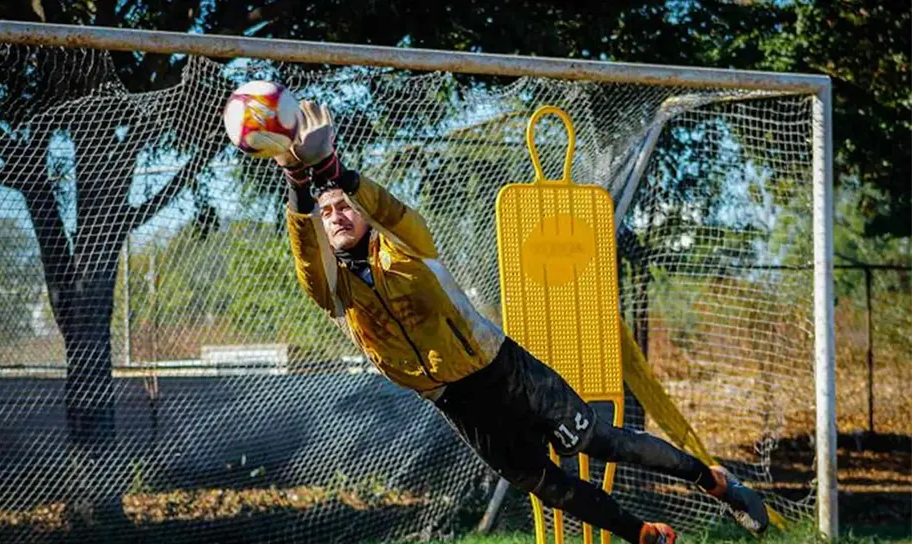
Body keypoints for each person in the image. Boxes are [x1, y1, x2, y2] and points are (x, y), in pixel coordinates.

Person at [270, 101, 769, 544]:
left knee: (597, 441)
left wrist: (335, 170)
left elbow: (393, 212)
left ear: (363, 213)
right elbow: (308, 258)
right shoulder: (333, 290)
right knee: (548, 486)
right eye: (326, 213)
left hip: (502, 368)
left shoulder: (408, 246)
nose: (336, 216)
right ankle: (643, 535)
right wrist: (297, 183)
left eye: (345, 207)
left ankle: (716, 483)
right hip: (455, 401)